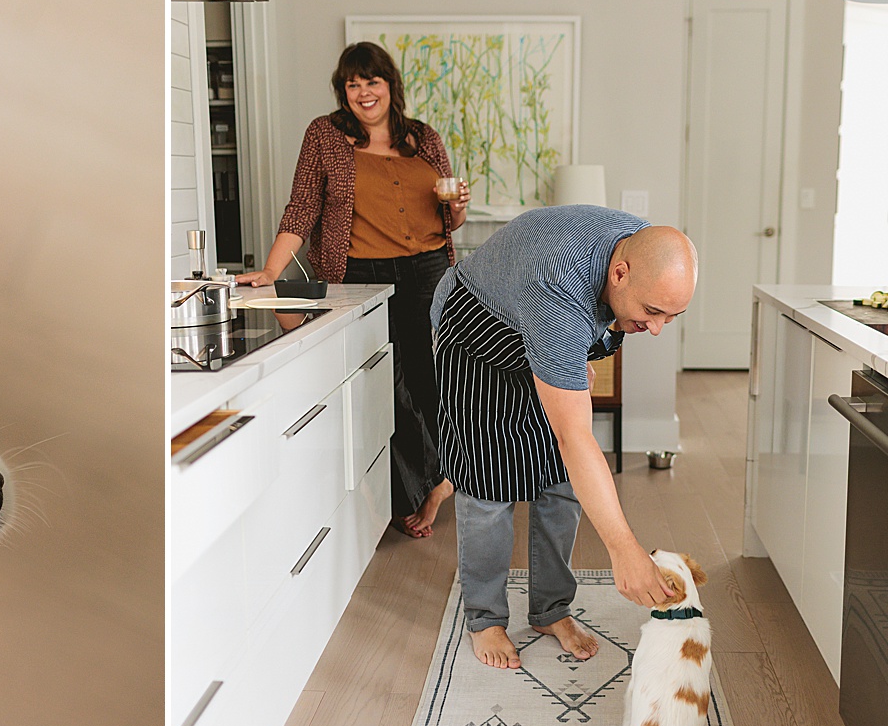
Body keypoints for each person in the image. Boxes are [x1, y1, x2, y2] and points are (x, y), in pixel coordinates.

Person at [429, 205, 696, 669]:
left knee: (560, 482)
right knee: (488, 486)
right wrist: (624, 550)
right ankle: (486, 618)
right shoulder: (557, 294)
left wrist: (569, 356)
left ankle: (550, 610)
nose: (656, 329)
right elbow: (577, 439)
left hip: (532, 326)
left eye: (670, 317)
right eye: (652, 312)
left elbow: (569, 446)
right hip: (476, 340)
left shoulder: (640, 245)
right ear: (619, 273)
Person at [239, 42, 467, 537]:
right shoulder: (326, 135)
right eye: (353, 84)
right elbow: (302, 207)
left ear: (391, 86)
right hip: (362, 275)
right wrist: (272, 272)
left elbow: (450, 218)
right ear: (344, 91)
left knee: (434, 380)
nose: (364, 92)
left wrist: (460, 206)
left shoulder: (423, 139)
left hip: (428, 270)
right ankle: (410, 489)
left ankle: (445, 478)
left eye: (373, 82)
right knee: (384, 382)